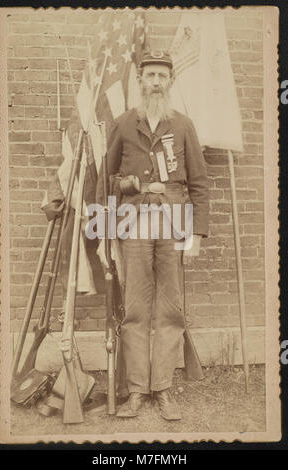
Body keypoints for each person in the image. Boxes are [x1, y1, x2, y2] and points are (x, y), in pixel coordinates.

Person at [95, 50, 209, 420]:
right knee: (137, 309)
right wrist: (108, 226)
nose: (156, 82)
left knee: (170, 310)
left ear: (171, 80)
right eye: (150, 75)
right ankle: (137, 392)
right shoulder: (125, 124)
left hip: (173, 226)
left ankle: (163, 389)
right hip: (133, 225)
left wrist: (195, 237)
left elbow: (199, 185)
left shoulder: (184, 126)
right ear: (140, 80)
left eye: (162, 75)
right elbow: (106, 178)